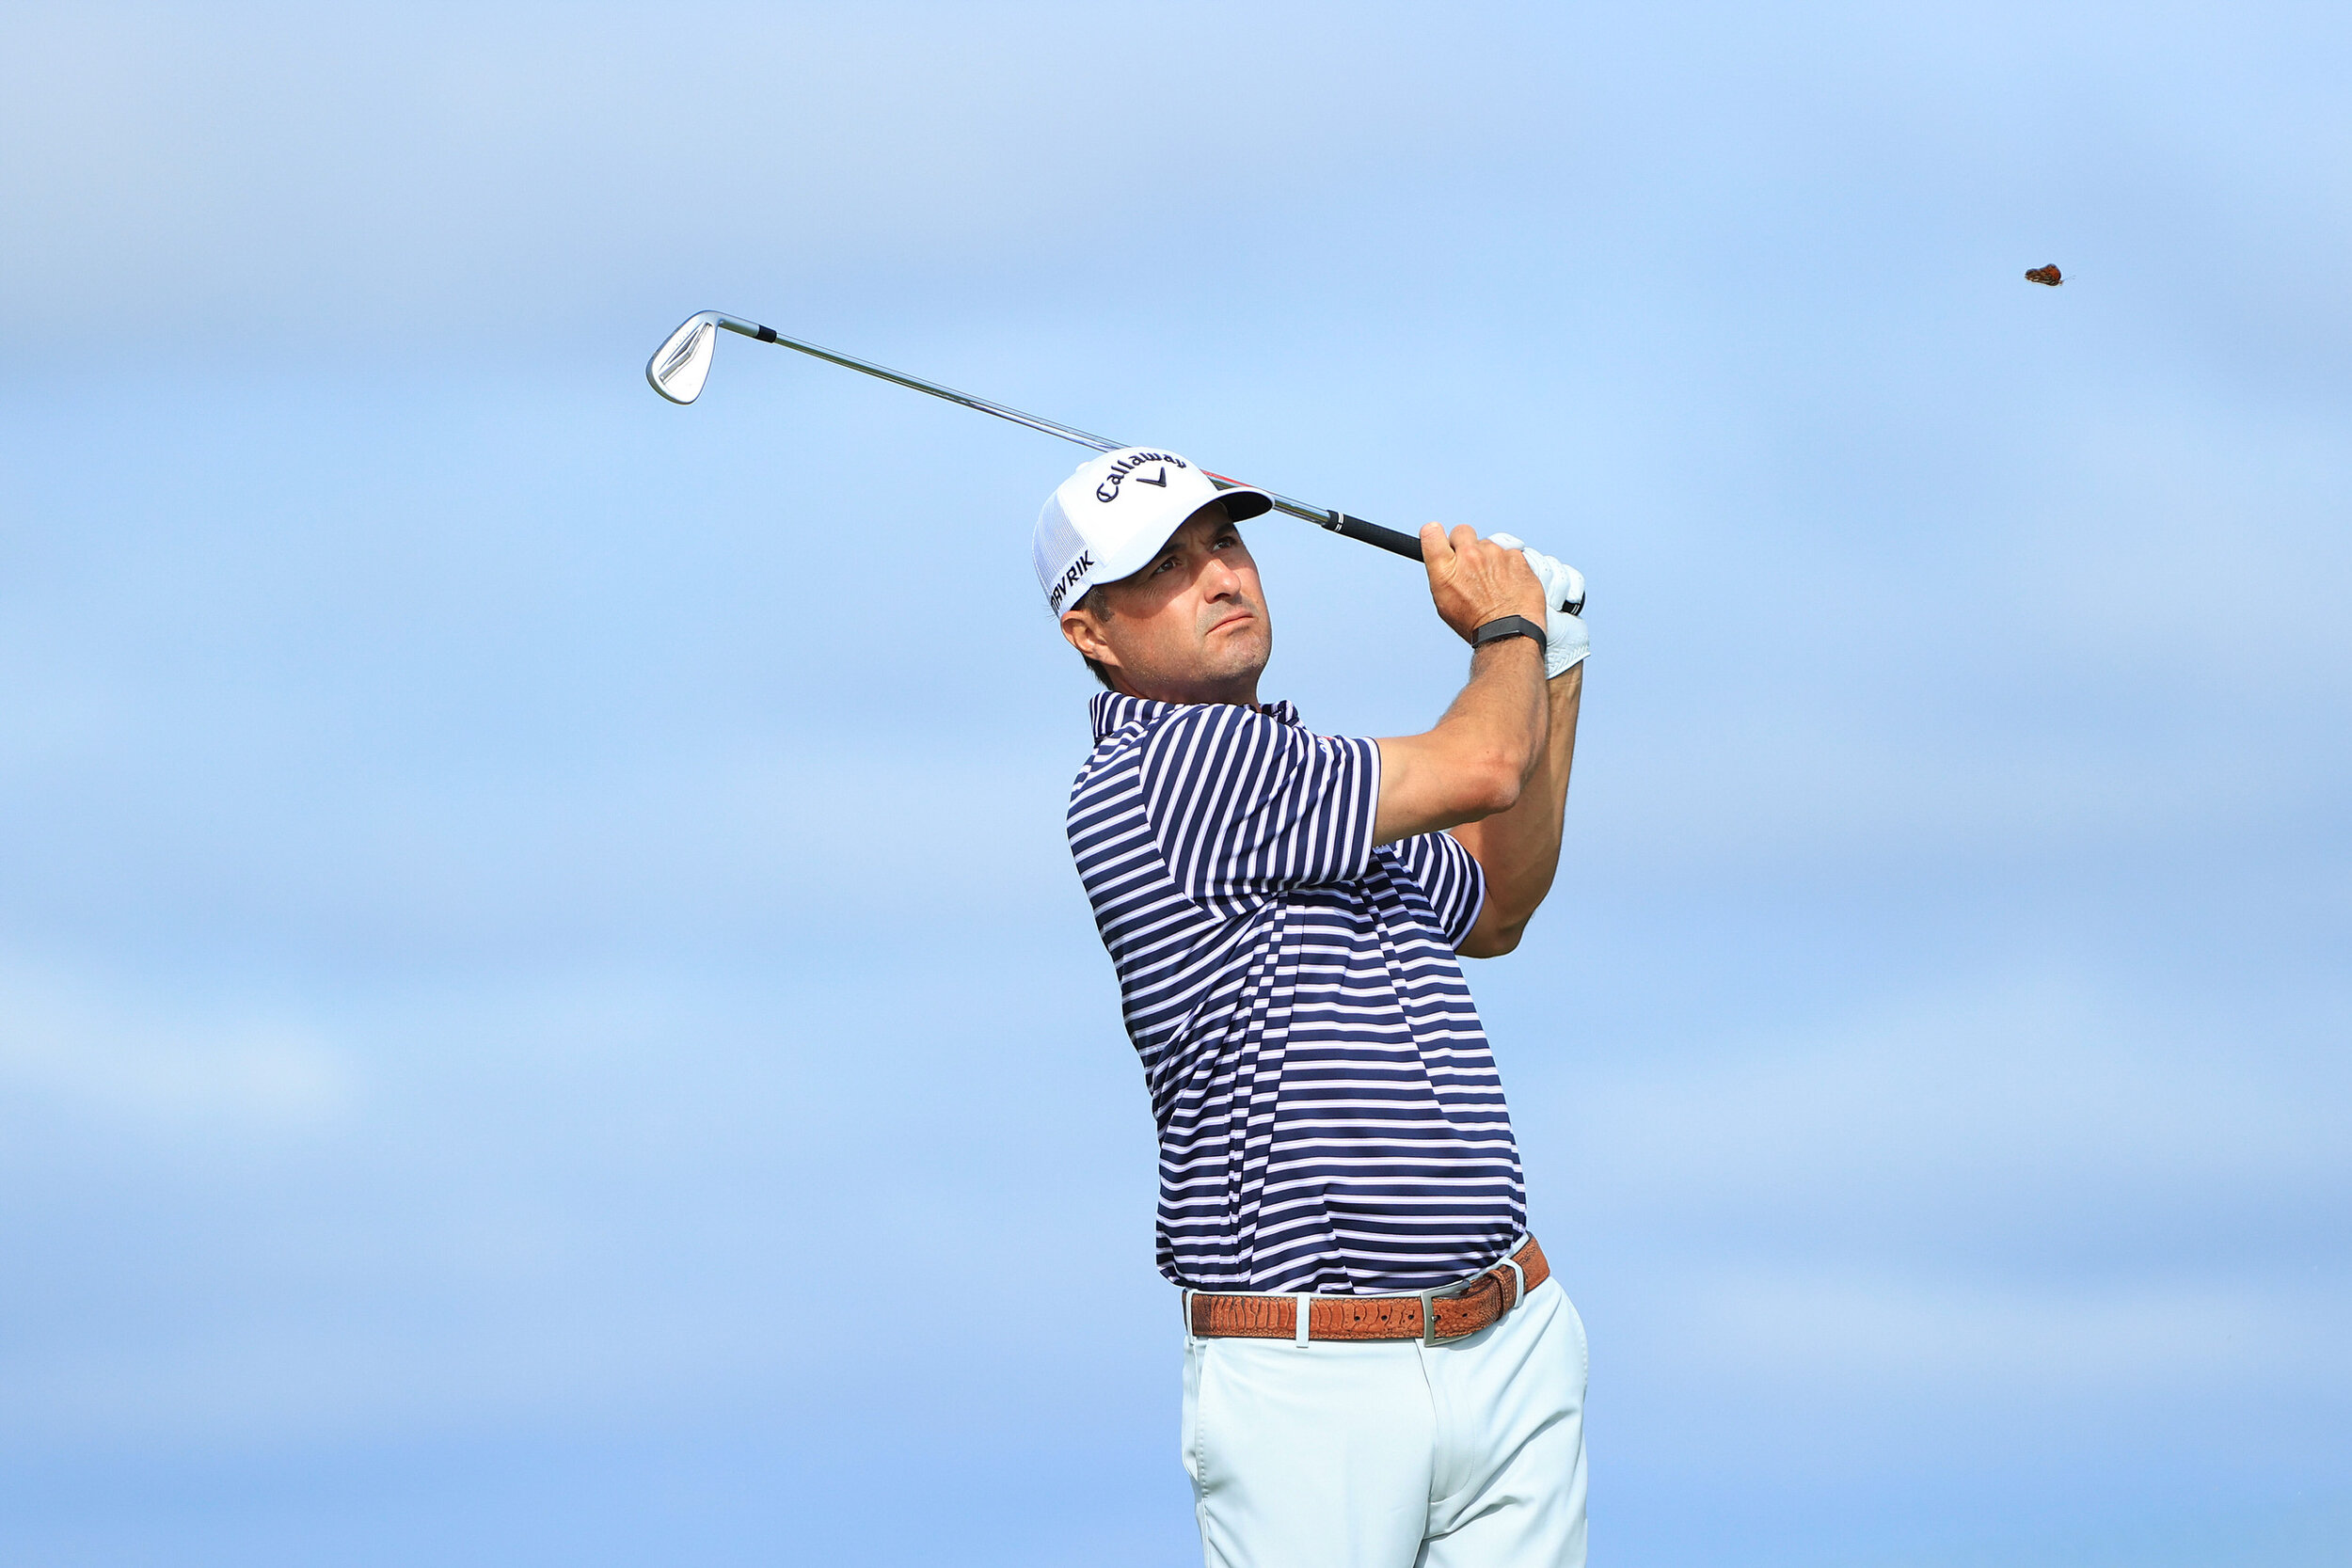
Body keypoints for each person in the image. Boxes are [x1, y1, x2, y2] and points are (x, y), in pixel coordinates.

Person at [1036, 447, 1592, 1568]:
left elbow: (1492, 900)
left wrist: (1557, 655)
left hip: (1507, 1333)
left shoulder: (1308, 775)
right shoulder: (1160, 776)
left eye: (1225, 542)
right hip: (1308, 1379)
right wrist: (1506, 632)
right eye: (1165, 567)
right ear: (1090, 633)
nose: (1221, 578)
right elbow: (1485, 763)